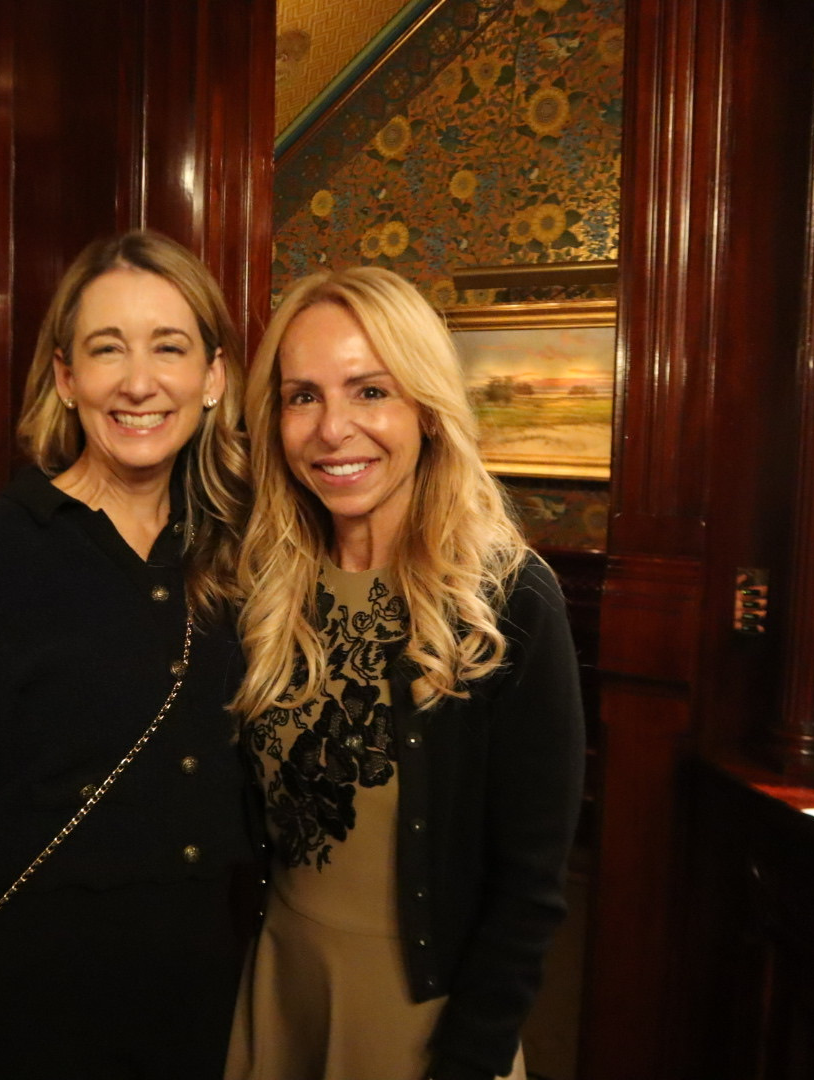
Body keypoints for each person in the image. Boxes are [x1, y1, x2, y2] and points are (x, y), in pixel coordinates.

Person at [0, 231, 257, 1080]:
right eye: (107, 349)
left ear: (212, 378)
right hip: (36, 995)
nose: (138, 382)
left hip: (204, 989)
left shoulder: (239, 549)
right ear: (65, 377)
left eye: (170, 347)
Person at [226, 266, 586, 1080]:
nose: (333, 429)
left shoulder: (507, 600)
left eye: (370, 391)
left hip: (425, 1020)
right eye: (303, 396)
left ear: (425, 407)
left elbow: (530, 887)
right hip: (281, 983)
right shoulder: (266, 586)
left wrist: (469, 1058)